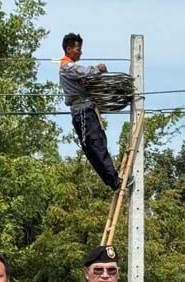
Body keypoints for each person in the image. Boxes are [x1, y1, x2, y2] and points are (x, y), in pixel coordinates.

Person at [59, 32, 122, 190]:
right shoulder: (67, 67)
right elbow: (82, 71)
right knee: (96, 145)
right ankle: (114, 180)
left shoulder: (70, 67)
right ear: (69, 49)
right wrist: (97, 69)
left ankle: (112, 180)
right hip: (83, 112)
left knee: (95, 146)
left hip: (83, 111)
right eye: (78, 49)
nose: (80, 52)